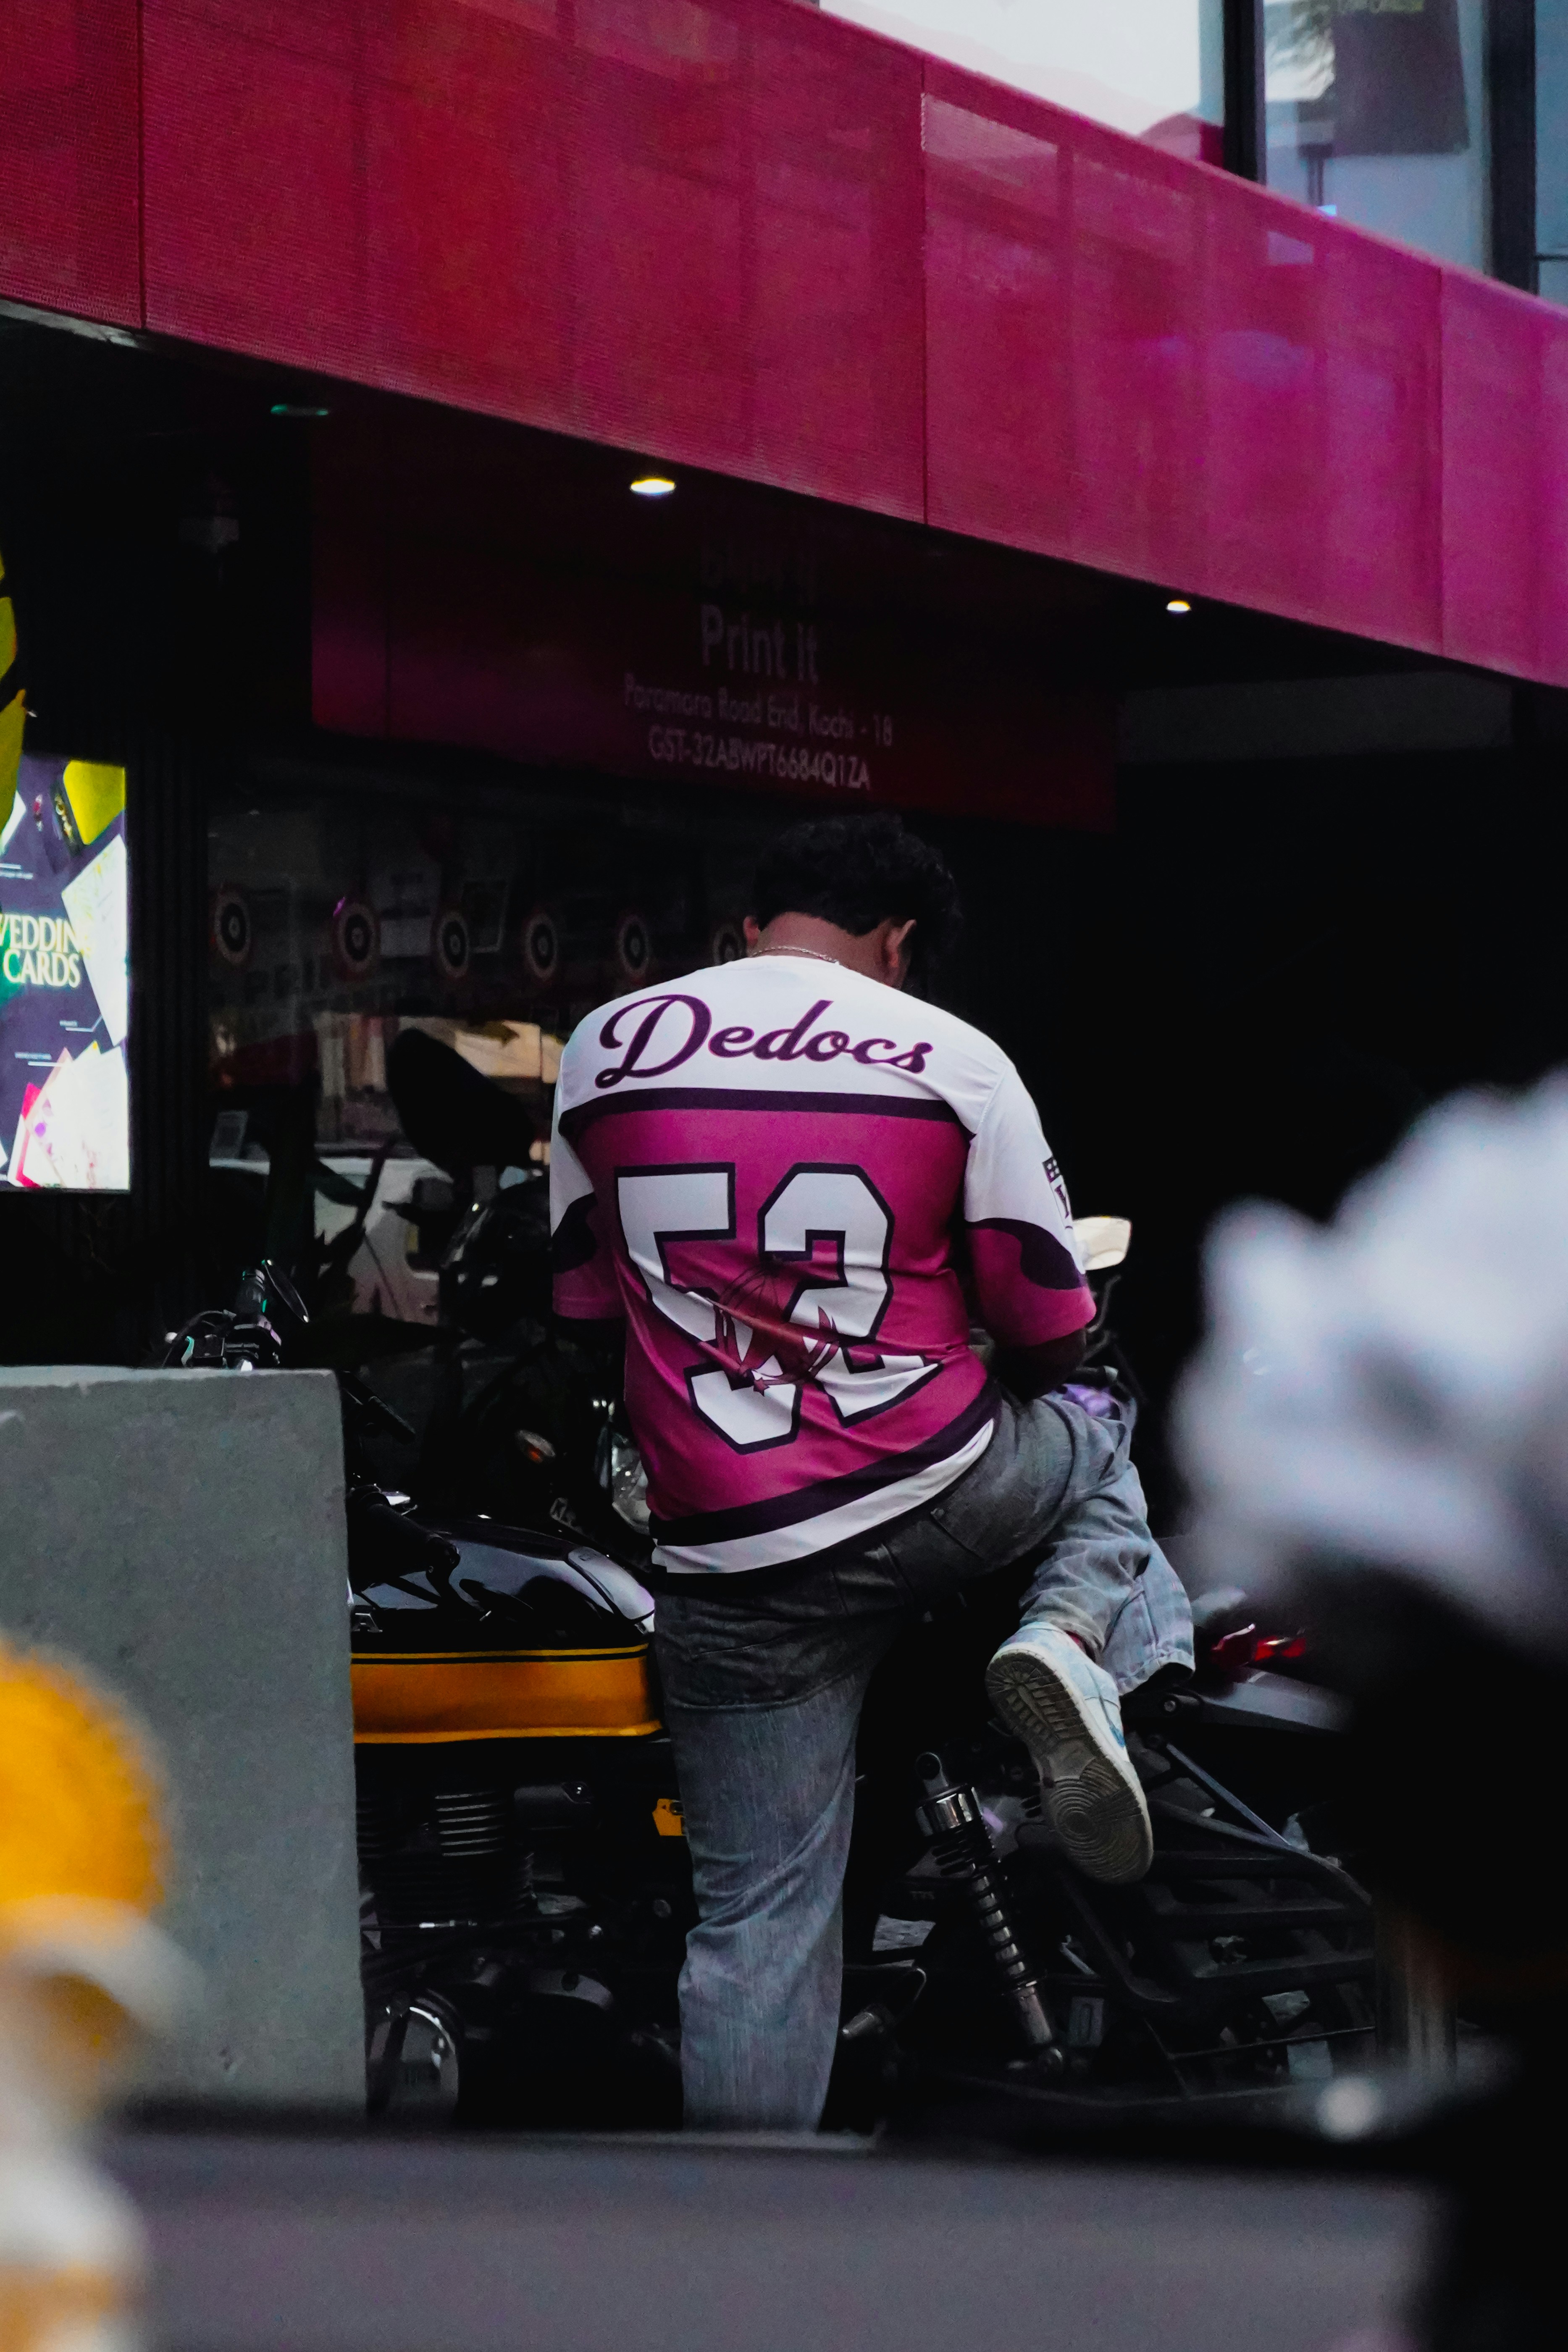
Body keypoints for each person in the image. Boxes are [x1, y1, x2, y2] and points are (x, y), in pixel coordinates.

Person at [549, 811, 1192, 2129]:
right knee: (1097, 1406)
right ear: (899, 944)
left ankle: (739, 2246)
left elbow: (578, 1308)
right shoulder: (955, 1058)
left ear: (748, 925)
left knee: (756, 1924)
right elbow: (1051, 1319)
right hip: (937, 1495)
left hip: (726, 1561)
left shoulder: (602, 1050)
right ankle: (1076, 1640)